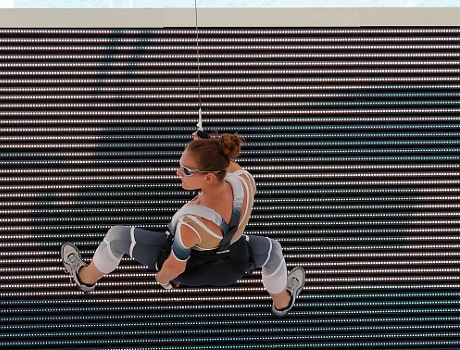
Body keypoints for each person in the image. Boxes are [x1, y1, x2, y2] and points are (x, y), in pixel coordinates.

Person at [61, 131, 304, 316]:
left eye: (186, 170)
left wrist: (163, 281)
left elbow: (173, 269)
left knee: (116, 237)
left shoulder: (191, 224)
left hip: (191, 273)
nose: (178, 172)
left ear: (208, 177)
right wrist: (208, 143)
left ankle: (85, 277)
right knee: (273, 250)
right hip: (235, 264)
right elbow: (226, 163)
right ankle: (282, 302)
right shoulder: (245, 181)